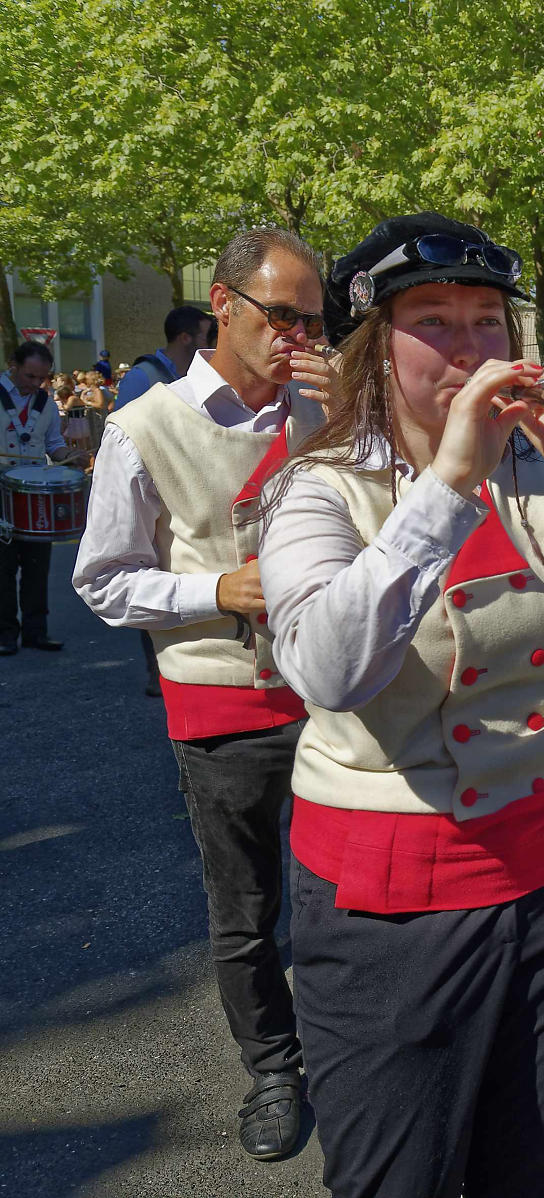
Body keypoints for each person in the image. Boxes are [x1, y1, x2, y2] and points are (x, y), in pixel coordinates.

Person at [257, 213, 544, 1197]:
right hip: (393, 906)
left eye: (488, 320)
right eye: (434, 319)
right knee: (398, 1179)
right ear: (375, 347)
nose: (471, 347)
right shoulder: (317, 491)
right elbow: (328, 670)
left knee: (531, 1166)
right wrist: (450, 476)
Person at [72, 228, 329, 1159]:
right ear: (223, 306)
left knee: (346, 889)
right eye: (284, 316)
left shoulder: (326, 409)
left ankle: (347, 1047)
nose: (301, 336)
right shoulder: (143, 427)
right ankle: (273, 1064)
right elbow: (102, 581)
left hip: (339, 692)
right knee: (245, 904)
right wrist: (212, 590)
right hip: (220, 700)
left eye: (316, 318)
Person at [0, 340, 87, 655]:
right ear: (13, 365)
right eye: (29, 376)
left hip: (33, 491)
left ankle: (37, 632)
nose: (35, 384)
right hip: (1, 489)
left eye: (41, 378)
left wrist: (71, 455)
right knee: (3, 568)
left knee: (38, 566)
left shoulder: (46, 404)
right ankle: (6, 634)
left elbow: (53, 446)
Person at [114, 305, 216, 407]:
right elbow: (122, 422)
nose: (213, 346)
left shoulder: (198, 376)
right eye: (209, 337)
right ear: (185, 338)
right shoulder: (141, 377)